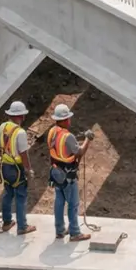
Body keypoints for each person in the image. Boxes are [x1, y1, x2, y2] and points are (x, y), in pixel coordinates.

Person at [47, 103, 94, 242]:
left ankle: (60, 230)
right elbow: (79, 151)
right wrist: (87, 139)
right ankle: (74, 232)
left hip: (56, 172)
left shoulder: (52, 132)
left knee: (59, 201)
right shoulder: (68, 136)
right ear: (66, 119)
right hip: (68, 175)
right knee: (73, 203)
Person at [0, 100, 35, 234]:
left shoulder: (2, 127)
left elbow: (0, 145)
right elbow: (23, 153)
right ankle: (22, 226)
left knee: (8, 194)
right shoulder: (20, 132)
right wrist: (28, 169)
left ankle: (7, 222)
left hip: (5, 166)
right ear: (22, 116)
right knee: (20, 196)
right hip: (16, 168)